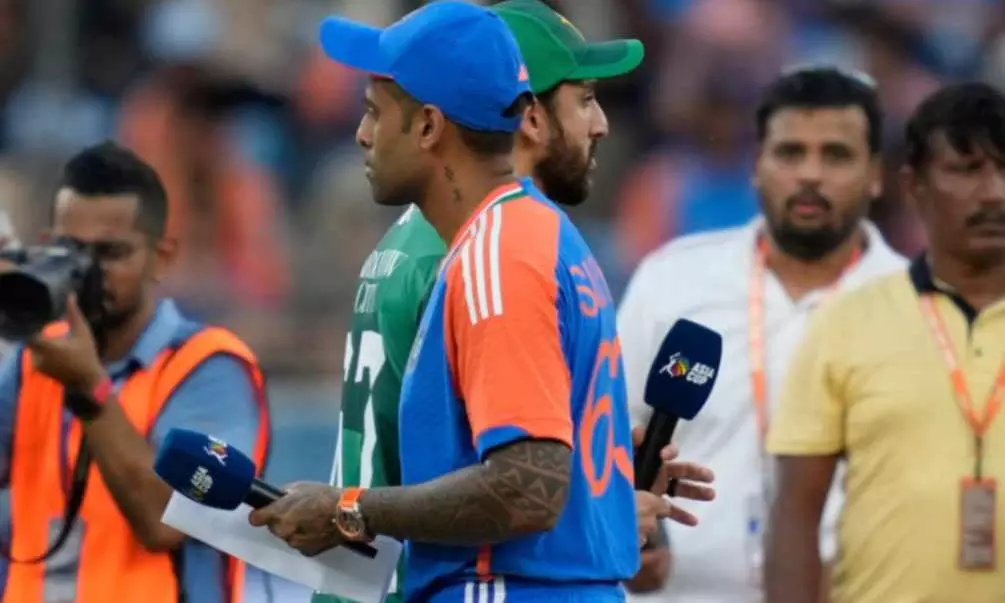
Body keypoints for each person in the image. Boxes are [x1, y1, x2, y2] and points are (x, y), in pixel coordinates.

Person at [311, 2, 716, 603]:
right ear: (527, 115)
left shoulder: (490, 247)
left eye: (375, 113)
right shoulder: (514, 243)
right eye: (585, 99)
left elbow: (525, 485)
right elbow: (517, 476)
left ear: (431, 125)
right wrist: (594, 508)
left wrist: (345, 511)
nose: (602, 124)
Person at [617, 66, 907, 600]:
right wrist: (629, 536)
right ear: (756, 165)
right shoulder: (673, 280)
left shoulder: (915, 307)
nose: (810, 174)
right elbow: (606, 439)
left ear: (876, 174)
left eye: (836, 155)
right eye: (790, 153)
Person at [765, 82, 1005, 603]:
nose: (993, 193)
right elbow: (796, 515)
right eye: (966, 170)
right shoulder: (847, 322)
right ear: (914, 184)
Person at [0, 141, 270, 603]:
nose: (87, 273)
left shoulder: (210, 367)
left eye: (109, 253)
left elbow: (166, 520)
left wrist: (90, 390)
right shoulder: (35, 360)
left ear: (161, 257)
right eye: (70, 251)